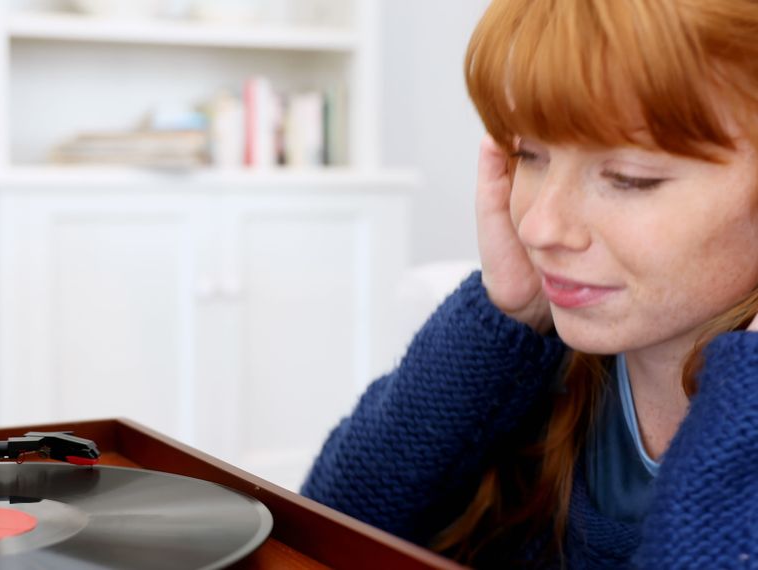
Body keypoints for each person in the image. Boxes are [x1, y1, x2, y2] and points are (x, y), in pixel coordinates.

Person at [300, 0, 758, 567]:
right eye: (530, 155)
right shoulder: (548, 366)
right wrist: (504, 319)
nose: (539, 225)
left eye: (628, 178)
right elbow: (319, 531)